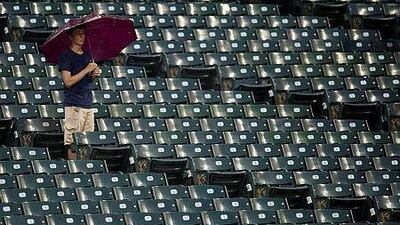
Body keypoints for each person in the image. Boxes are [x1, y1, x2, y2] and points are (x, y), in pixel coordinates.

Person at [58, 25, 101, 160]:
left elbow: (87, 80)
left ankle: (84, 172)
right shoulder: (66, 56)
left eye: (83, 33)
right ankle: (73, 173)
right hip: (74, 104)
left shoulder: (88, 56)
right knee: (72, 143)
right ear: (71, 37)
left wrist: (94, 74)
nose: (82, 36)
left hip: (87, 103)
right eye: (78, 33)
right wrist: (86, 69)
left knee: (86, 142)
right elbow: (68, 82)